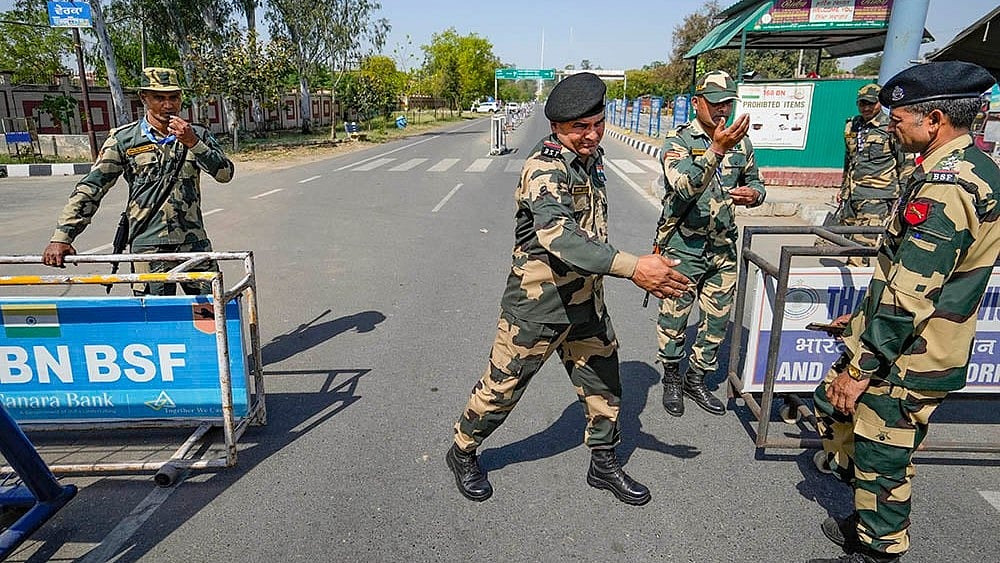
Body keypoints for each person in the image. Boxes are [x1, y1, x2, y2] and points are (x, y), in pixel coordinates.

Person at [446, 72, 691, 505]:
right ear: (556, 126)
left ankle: (604, 462)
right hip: (538, 308)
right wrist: (635, 268)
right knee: (501, 390)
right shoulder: (544, 168)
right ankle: (463, 450)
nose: (592, 134)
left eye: (598, 123)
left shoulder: (591, 159)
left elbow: (591, 230)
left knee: (605, 385)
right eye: (580, 127)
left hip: (585, 303)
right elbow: (560, 236)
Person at [808, 61, 1000, 563]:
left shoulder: (948, 186)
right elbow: (905, 276)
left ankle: (880, 547)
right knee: (833, 408)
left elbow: (912, 294)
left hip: (909, 355)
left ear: (934, 120)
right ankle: (869, 511)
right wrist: (857, 323)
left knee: (882, 454)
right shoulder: (962, 168)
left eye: (898, 119)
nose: (891, 126)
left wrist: (859, 369)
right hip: (900, 341)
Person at [42, 67, 234, 295]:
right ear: (144, 98)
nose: (168, 105)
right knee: (154, 314)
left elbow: (225, 174)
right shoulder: (124, 139)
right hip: (148, 246)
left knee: (211, 310)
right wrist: (62, 237)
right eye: (159, 98)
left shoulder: (197, 135)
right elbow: (91, 188)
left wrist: (193, 143)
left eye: (174, 97)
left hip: (194, 243)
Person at [654, 70, 765, 417]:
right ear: (697, 103)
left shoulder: (742, 143)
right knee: (674, 319)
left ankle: (696, 377)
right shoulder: (679, 141)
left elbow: (756, 182)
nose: (722, 111)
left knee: (717, 321)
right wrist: (716, 149)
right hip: (683, 247)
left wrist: (754, 195)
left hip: (722, 247)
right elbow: (684, 187)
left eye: (728, 104)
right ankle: (672, 377)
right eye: (715, 103)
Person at [836, 83, 909, 267]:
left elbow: (905, 164)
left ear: (880, 103)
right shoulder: (853, 126)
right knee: (848, 242)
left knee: (862, 246)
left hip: (877, 196)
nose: (866, 108)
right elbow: (849, 160)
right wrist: (843, 188)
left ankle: (856, 278)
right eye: (862, 103)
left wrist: (903, 198)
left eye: (871, 103)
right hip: (852, 196)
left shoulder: (890, 127)